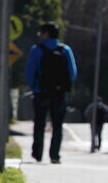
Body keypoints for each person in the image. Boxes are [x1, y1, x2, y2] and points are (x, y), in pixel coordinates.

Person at [25, 22, 77, 164]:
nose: (39, 36)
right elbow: (72, 73)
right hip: (59, 94)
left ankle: (37, 153)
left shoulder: (36, 50)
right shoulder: (65, 50)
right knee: (57, 125)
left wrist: (35, 87)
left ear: (46, 34)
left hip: (41, 93)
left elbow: (30, 72)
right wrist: (63, 86)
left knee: (39, 123)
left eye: (40, 33)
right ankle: (54, 155)